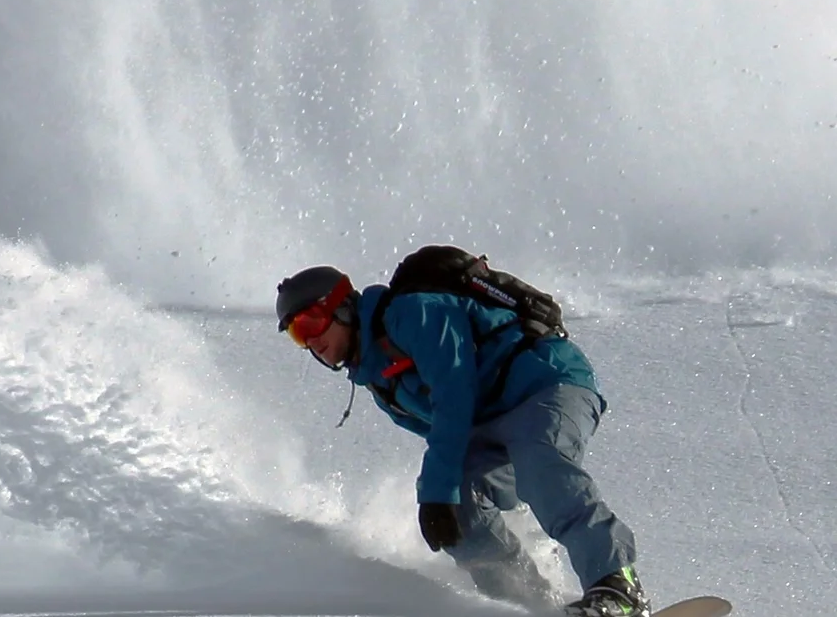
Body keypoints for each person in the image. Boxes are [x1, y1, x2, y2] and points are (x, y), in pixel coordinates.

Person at [275, 263, 648, 617]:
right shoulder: (379, 382)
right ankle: (528, 601)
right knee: (459, 508)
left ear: (342, 308)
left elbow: (454, 394)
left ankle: (618, 587)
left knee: (539, 462)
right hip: (491, 425)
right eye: (296, 335)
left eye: (311, 323)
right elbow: (446, 437)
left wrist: (437, 490)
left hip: (545, 384)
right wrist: (448, 495)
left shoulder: (411, 314)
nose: (310, 342)